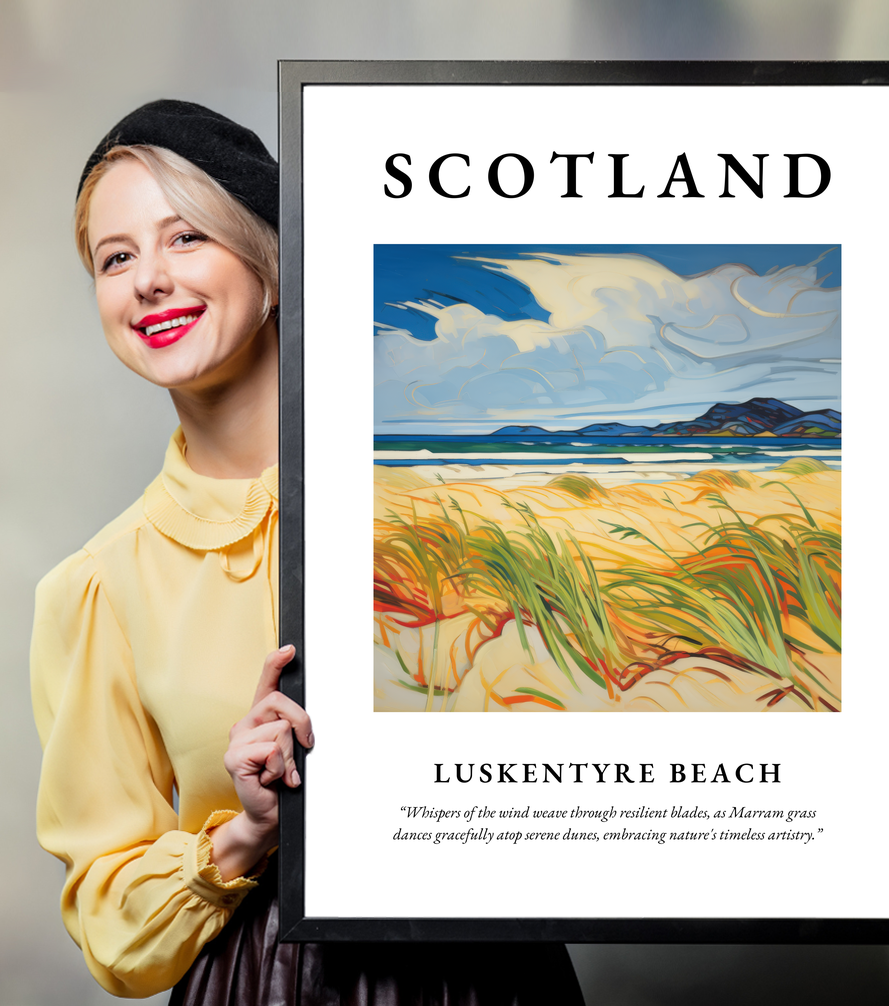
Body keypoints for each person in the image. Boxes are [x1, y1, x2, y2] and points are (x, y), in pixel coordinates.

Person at [30, 100, 585, 1004]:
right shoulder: (97, 587)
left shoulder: (455, 502)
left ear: (274, 264)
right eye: (116, 257)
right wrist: (245, 832)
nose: (148, 281)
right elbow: (110, 924)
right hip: (262, 982)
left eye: (185, 239)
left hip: (492, 974)